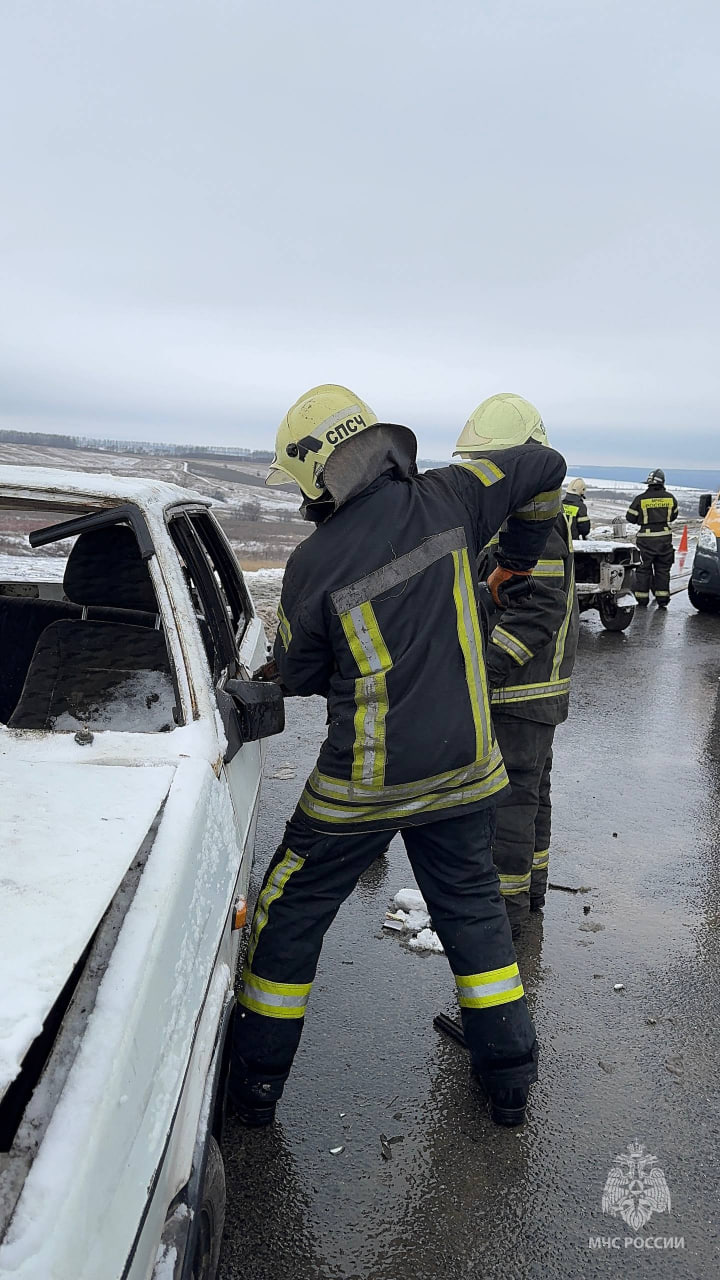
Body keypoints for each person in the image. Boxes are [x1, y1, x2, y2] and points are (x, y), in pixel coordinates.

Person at [229, 384, 567, 1128]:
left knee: (289, 913)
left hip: (365, 787)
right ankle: (509, 1082)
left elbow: (306, 675)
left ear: (321, 475)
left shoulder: (314, 564)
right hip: (465, 769)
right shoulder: (456, 494)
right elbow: (547, 464)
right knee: (475, 915)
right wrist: (517, 558)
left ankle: (254, 1086)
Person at [454, 395, 579, 937]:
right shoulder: (528, 511)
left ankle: (500, 922)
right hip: (534, 693)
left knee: (509, 804)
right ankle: (530, 896)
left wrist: (483, 671)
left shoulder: (536, 522)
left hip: (518, 693)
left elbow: (537, 610)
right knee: (531, 797)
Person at [626, 469, 679, 606]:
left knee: (643, 570)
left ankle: (642, 599)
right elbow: (673, 516)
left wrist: (642, 519)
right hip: (664, 539)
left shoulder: (641, 499)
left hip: (646, 540)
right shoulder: (670, 498)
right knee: (663, 570)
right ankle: (663, 599)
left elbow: (630, 517)